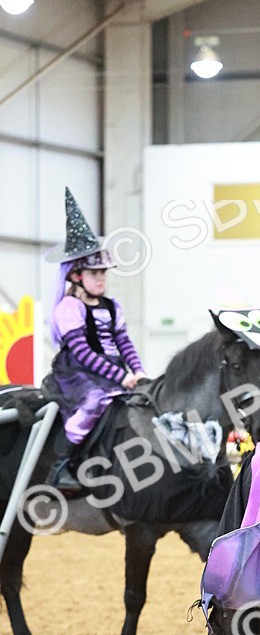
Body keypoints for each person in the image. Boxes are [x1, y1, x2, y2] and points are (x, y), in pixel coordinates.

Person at [45, 189, 148, 491]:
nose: (102, 278)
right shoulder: (69, 307)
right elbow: (81, 351)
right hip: (77, 373)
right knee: (93, 402)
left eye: (104, 272)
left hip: (109, 368)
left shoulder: (112, 305)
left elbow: (124, 342)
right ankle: (60, 464)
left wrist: (138, 371)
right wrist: (120, 376)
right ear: (77, 276)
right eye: (95, 273)